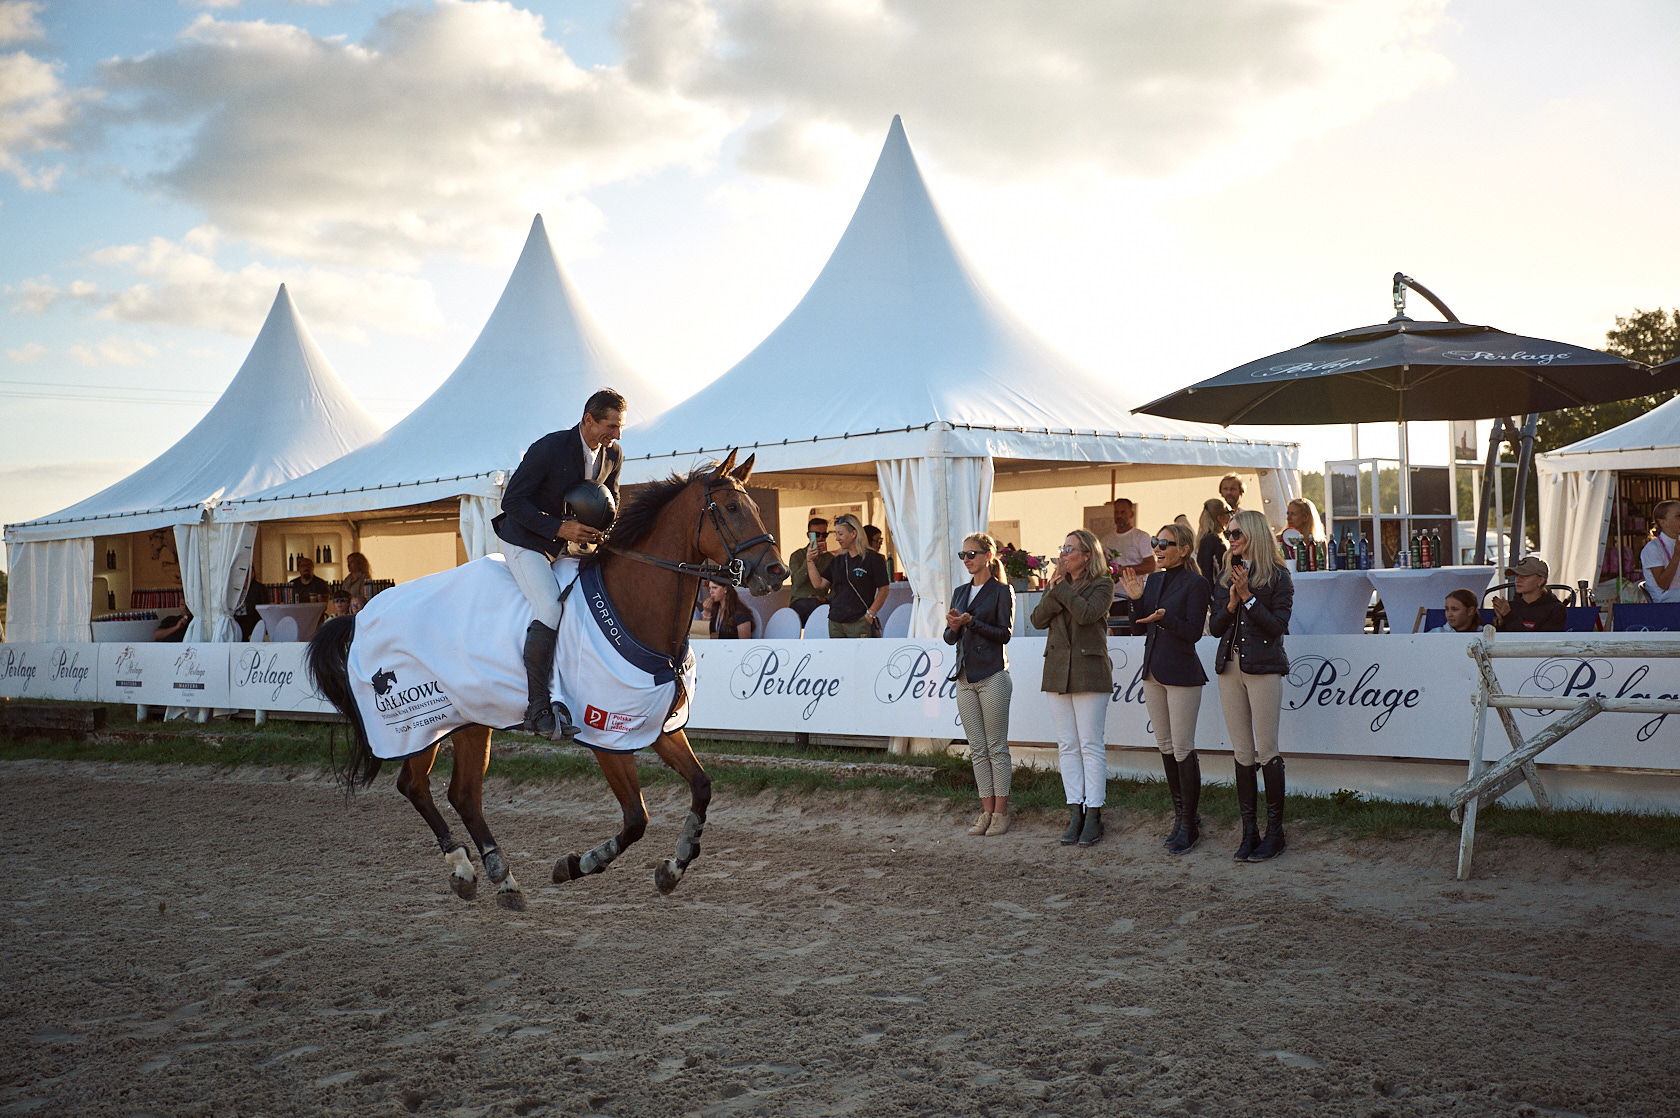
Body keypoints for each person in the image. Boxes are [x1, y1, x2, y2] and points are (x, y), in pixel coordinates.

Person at [492, 388, 627, 740]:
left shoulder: (613, 454)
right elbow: (513, 501)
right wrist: (558, 527)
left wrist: (606, 534)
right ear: (588, 420)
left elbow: (611, 501)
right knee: (550, 609)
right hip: (525, 540)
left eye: (620, 427)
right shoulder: (549, 448)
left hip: (569, 544)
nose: (616, 435)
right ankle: (536, 708)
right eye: (610, 426)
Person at [1121, 521, 1212, 855]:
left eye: (1165, 544)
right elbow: (1137, 627)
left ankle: (1189, 823)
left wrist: (1164, 618)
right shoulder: (1155, 579)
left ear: (1184, 550)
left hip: (1182, 671)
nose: (1157, 548)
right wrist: (1134, 600)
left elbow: (1192, 633)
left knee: (1183, 747)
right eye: (1156, 542)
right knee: (1165, 745)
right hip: (1153, 671)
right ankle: (1181, 816)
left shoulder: (1196, 583)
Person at [1209, 508, 1294, 862]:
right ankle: (1249, 832)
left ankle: (1275, 832)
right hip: (1230, 668)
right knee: (1242, 752)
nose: (1231, 540)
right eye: (1229, 534)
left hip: (1263, 668)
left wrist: (1249, 598)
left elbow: (1277, 626)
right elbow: (1215, 627)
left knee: (1267, 750)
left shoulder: (1278, 575)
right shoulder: (1226, 574)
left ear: (1255, 535)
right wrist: (1231, 603)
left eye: (1236, 534)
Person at [1031, 528, 1116, 848]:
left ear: (1087, 555)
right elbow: (1037, 619)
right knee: (1067, 745)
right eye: (1062, 548)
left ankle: (1094, 813)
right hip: (1057, 670)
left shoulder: (1102, 584)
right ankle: (1075, 811)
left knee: (1090, 744)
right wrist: (1056, 591)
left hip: (1089, 670)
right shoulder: (1056, 584)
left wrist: (1061, 590)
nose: (1063, 554)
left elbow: (1086, 614)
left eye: (1069, 550)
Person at [944, 533, 1015, 837]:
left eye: (972, 554)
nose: (967, 560)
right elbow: (949, 639)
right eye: (963, 555)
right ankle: (986, 811)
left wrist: (971, 622)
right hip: (965, 676)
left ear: (987, 556)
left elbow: (1005, 634)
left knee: (996, 747)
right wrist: (954, 627)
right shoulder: (960, 592)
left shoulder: (1002, 591)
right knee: (977, 749)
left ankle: (1001, 813)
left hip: (992, 674)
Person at [807, 513, 890, 638]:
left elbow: (884, 589)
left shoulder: (873, 558)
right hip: (836, 620)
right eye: (836, 534)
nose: (837, 538)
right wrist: (810, 561)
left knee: (860, 656)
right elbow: (819, 584)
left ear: (853, 533)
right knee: (839, 656)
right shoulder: (838, 560)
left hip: (859, 620)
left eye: (840, 534)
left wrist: (870, 614)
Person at [1101, 497, 1154, 626]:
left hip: (1137, 595)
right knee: (1118, 635)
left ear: (1131, 514)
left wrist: (1123, 569)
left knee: (1138, 632)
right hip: (1115, 597)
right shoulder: (1106, 540)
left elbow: (1151, 565)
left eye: (1123, 512)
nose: (1119, 516)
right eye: (1116, 512)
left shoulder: (1141, 536)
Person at [1491, 556, 1567, 632]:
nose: (1518, 580)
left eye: (1525, 575)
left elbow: (1539, 642)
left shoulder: (1556, 610)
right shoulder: (1510, 607)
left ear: (1541, 580)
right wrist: (1499, 624)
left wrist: (1508, 616)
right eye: (1517, 575)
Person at [788, 517, 833, 624]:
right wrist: (808, 560)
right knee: (813, 606)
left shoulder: (830, 558)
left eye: (824, 535)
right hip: (800, 601)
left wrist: (825, 599)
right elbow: (797, 581)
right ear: (808, 535)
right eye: (817, 535)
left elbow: (836, 587)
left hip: (821, 602)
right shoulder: (797, 556)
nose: (821, 538)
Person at [1641, 499, 1680, 603]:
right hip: (1664, 600)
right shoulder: (1653, 548)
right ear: (1663, 522)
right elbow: (1663, 584)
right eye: (1678, 516)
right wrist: (1676, 557)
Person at [1196, 498, 1232, 582]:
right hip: (1216, 591)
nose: (1232, 516)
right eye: (1230, 513)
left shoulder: (1206, 539)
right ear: (1220, 518)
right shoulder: (1214, 541)